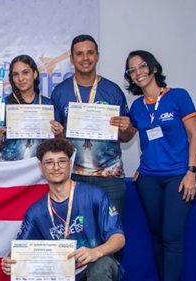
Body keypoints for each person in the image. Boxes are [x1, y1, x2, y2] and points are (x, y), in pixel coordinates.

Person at [124, 50, 196, 281]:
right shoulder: (137, 107)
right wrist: (121, 127)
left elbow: (194, 136)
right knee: (157, 235)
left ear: (153, 68)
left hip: (178, 176)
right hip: (148, 178)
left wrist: (191, 172)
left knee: (172, 237)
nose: (138, 73)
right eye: (132, 70)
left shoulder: (178, 96)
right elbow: (127, 138)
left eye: (142, 66)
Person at [1, 138, 124, 281]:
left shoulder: (95, 195)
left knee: (101, 265)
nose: (56, 167)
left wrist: (96, 252)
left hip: (93, 267)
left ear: (70, 164)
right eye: (49, 162)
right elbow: (21, 250)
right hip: (59, 274)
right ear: (41, 168)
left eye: (62, 161)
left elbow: (119, 238)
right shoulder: (36, 212)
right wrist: (10, 261)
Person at [51, 34, 135, 220]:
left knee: (112, 234)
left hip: (109, 176)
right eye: (79, 54)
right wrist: (60, 133)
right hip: (73, 176)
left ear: (97, 56)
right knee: (76, 233)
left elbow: (126, 136)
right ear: (72, 59)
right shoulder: (60, 92)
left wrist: (127, 128)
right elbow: (57, 140)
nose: (85, 58)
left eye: (90, 53)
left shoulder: (113, 91)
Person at [0, 54, 64, 161]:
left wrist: (60, 133)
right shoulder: (5, 105)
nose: (20, 78)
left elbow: (57, 143)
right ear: (12, 78)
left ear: (35, 74)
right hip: (9, 168)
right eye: (15, 74)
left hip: (38, 169)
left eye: (25, 73)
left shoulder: (47, 105)